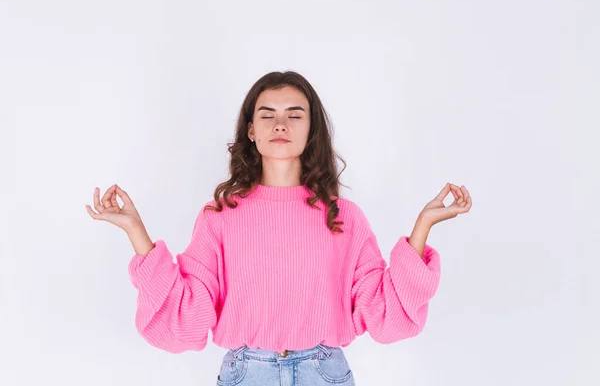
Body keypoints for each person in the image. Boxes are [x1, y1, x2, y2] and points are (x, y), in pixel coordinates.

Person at [85, 71, 472, 385]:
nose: (280, 124)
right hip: (245, 373)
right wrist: (135, 231)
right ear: (251, 130)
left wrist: (423, 226)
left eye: (295, 114)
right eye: (267, 114)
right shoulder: (220, 216)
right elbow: (187, 315)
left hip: (324, 373)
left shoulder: (344, 217)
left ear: (311, 130)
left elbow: (385, 314)